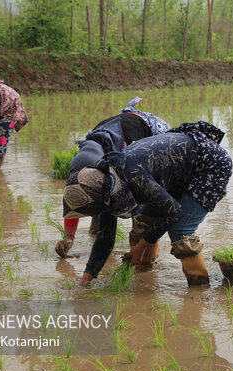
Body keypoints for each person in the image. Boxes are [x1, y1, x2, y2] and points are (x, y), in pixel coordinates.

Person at [61, 121, 233, 287]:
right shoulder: (104, 184)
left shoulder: (132, 175)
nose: (92, 216)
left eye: (90, 213)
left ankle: (199, 289)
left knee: (181, 231)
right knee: (143, 220)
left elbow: (174, 212)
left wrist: (143, 245)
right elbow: (105, 238)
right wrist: (84, 281)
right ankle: (146, 275)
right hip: (177, 169)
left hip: (209, 165)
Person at [54, 97, 171, 258]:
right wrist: (69, 236)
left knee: (142, 213)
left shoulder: (127, 159)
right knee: (94, 198)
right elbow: (76, 196)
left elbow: (138, 195)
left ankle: (145, 255)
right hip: (118, 131)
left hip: (148, 134)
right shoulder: (83, 162)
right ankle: (96, 229)